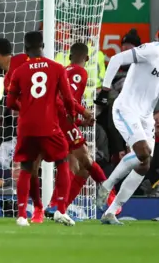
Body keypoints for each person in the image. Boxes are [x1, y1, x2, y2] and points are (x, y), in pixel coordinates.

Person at [95, 21, 159, 225]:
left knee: (144, 165)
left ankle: (111, 211)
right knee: (142, 153)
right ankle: (106, 186)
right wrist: (105, 91)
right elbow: (117, 59)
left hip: (145, 116)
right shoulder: (151, 49)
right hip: (126, 109)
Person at [5, 31, 77, 227]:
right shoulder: (57, 68)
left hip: (26, 127)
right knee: (62, 161)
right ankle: (61, 210)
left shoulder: (19, 71)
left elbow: (10, 101)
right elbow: (68, 98)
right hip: (49, 127)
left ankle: (21, 215)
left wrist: (26, 108)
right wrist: (72, 114)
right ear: (43, 46)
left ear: (25, 48)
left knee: (26, 169)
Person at [0, 38, 43, 221]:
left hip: (47, 118)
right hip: (34, 123)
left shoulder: (24, 61)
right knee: (32, 166)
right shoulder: (8, 78)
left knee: (68, 160)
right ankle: (41, 209)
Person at [48, 43, 108, 214]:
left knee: (75, 166)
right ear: (87, 59)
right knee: (85, 159)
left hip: (56, 120)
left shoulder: (63, 70)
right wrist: (84, 111)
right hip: (62, 120)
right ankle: (108, 191)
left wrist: (80, 122)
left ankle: (58, 208)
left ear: (69, 56)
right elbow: (65, 98)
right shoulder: (78, 72)